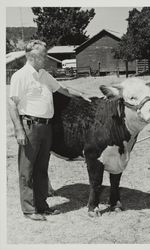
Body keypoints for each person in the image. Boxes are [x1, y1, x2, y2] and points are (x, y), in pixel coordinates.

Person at [8, 40, 89, 221]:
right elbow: (12, 104)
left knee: (42, 169)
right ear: (33, 56)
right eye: (44, 55)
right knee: (27, 170)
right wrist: (18, 129)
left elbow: (63, 90)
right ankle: (29, 210)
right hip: (30, 126)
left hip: (46, 127)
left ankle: (43, 206)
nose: (46, 58)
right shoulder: (20, 76)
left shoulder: (44, 74)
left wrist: (82, 95)